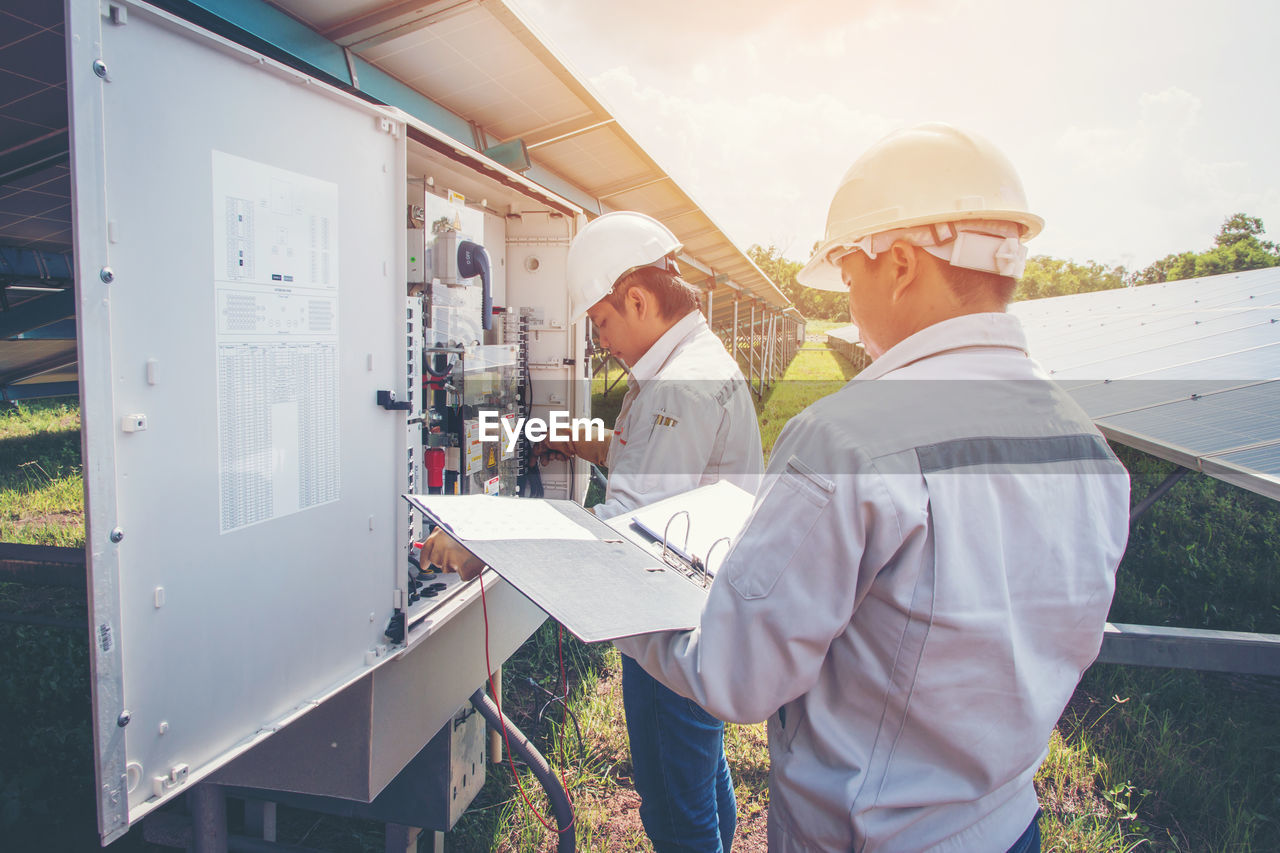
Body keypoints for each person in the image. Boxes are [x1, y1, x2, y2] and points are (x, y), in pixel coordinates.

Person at [612, 123, 1132, 851]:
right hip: (1010, 823)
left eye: (850, 277)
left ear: (899, 263)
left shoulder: (849, 439)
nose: (850, 302)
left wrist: (614, 607)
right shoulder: (1089, 447)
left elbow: (736, 673)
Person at [422, 210, 763, 853]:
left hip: (671, 624)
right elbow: (659, 467)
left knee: (673, 802)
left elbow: (624, 534)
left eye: (602, 323)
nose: (600, 342)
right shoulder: (692, 362)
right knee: (701, 771)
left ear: (637, 299)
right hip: (708, 608)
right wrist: (575, 438)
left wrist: (485, 542)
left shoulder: (679, 387)